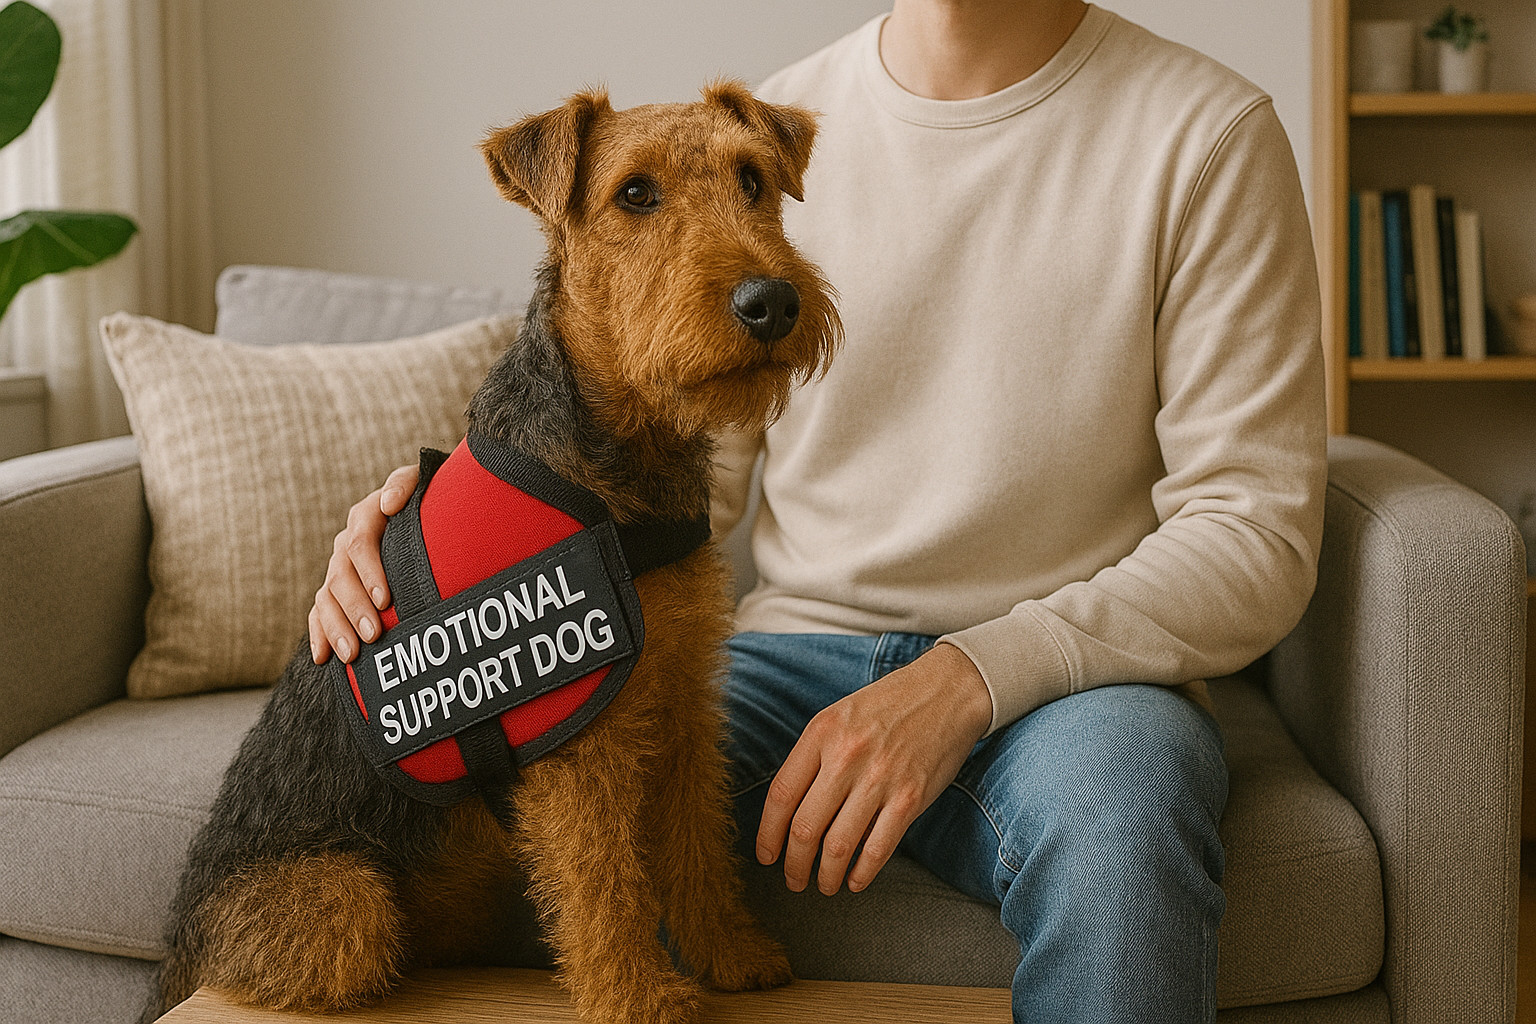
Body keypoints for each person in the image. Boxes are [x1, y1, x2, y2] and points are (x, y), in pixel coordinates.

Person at [309, 2, 1325, 1020]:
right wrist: (436, 538)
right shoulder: (758, 132)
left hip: (1072, 683)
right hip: (790, 663)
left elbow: (1255, 531)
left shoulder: (1208, 134)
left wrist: (971, 675)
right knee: (508, 839)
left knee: (1124, 832)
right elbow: (666, 446)